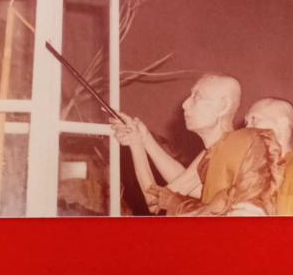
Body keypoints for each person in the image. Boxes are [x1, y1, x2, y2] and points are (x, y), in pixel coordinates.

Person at [111, 74, 283, 216]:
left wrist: (140, 142)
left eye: (197, 97)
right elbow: (157, 199)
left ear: (223, 106)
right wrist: (141, 140)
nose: (185, 104)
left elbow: (161, 201)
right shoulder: (211, 153)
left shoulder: (245, 145)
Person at [243, 98, 293, 216]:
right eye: (246, 122)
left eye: (254, 119)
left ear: (282, 124)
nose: (246, 128)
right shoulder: (245, 174)